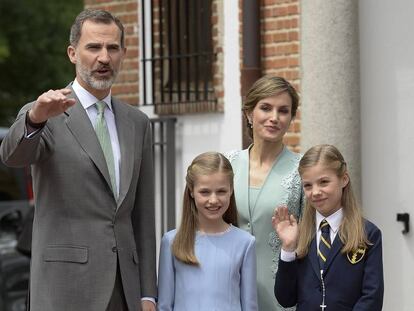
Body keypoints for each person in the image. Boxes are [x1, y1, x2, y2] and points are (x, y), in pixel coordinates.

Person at [0, 9, 157, 311]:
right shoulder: (45, 112)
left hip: (124, 290)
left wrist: (148, 292)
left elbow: (142, 214)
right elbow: (12, 156)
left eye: (112, 48)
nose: (104, 57)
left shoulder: (137, 123)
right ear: (73, 53)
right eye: (94, 47)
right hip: (64, 289)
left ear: (123, 53)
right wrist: (35, 120)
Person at [273, 144, 384, 310]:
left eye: (323, 182)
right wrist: (288, 248)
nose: (315, 192)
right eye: (308, 185)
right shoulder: (300, 233)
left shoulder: (368, 234)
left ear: (343, 179)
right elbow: (286, 298)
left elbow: (372, 297)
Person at [226, 75, 303, 310]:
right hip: (228, 291)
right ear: (249, 113)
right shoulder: (227, 165)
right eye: (266, 108)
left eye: (283, 111)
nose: (274, 118)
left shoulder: (302, 171)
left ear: (291, 118)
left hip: (282, 297)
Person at [157, 152, 258, 310]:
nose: (213, 200)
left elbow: (250, 306)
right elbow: (164, 305)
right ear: (191, 191)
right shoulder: (171, 241)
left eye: (221, 191)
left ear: (231, 190)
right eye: (205, 192)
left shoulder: (245, 243)